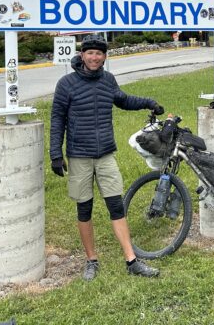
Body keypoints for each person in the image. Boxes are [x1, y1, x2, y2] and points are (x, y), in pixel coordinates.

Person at [50, 34, 164, 280]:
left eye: (99, 53)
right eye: (90, 52)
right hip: (79, 155)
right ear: (82, 55)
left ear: (104, 57)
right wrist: (55, 154)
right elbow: (57, 119)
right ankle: (91, 260)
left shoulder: (107, 80)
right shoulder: (66, 84)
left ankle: (131, 260)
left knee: (116, 205)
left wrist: (149, 103)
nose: (94, 57)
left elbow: (123, 100)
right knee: (85, 208)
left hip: (105, 155)